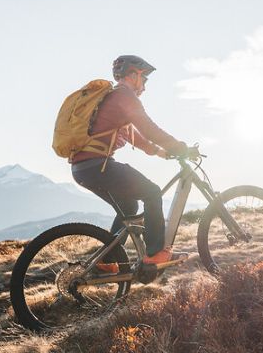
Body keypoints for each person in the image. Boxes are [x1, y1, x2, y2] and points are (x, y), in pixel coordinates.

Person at [70, 55, 191, 271]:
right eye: (144, 79)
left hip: (83, 169)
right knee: (152, 193)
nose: (145, 85)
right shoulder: (124, 96)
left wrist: (163, 153)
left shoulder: (113, 98)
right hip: (98, 166)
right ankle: (155, 255)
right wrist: (179, 147)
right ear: (134, 75)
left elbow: (135, 136)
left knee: (129, 206)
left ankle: (108, 261)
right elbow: (149, 128)